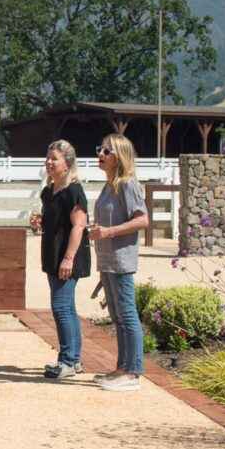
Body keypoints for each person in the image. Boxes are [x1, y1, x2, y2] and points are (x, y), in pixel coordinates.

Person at [89, 133, 150, 391]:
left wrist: (108, 232)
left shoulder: (128, 184)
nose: (100, 155)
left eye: (107, 152)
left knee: (127, 315)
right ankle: (121, 368)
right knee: (117, 316)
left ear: (120, 157)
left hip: (122, 261)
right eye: (100, 149)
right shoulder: (108, 186)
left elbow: (142, 220)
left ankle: (133, 372)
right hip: (107, 261)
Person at [34, 139, 90, 380]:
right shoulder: (49, 191)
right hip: (53, 255)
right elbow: (54, 222)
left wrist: (68, 258)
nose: (49, 162)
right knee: (67, 307)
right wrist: (39, 223)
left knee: (60, 307)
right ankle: (74, 360)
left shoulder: (74, 191)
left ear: (67, 163)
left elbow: (79, 226)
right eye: (48, 158)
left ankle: (67, 360)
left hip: (68, 257)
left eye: (54, 159)